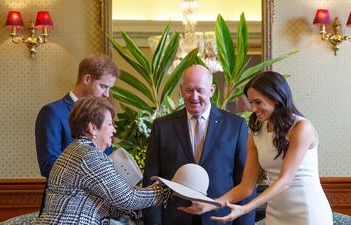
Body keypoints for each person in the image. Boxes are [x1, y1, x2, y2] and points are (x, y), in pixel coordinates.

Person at [180, 71, 333, 225]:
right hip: (276, 211)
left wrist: (245, 209)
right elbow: (246, 186)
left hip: (307, 211)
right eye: (251, 102)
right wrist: (212, 204)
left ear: (276, 98)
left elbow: (285, 180)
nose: (253, 108)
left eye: (258, 102)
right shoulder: (256, 131)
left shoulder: (301, 127)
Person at [142, 65, 256, 225]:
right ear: (181, 90)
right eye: (189, 90)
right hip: (174, 219)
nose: (194, 97)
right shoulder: (162, 126)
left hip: (219, 219)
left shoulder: (235, 126)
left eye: (200, 90)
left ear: (211, 90)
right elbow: (150, 182)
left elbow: (245, 182)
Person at [36, 96, 172, 224]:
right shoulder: (89, 156)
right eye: (109, 124)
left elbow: (111, 206)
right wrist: (166, 190)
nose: (114, 130)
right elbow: (128, 199)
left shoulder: (76, 150)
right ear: (93, 128)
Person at [35, 54, 118, 178]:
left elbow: (108, 159)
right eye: (103, 86)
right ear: (87, 79)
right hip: (66, 196)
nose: (107, 94)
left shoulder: (104, 115)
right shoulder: (52, 112)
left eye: (109, 88)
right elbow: (48, 166)